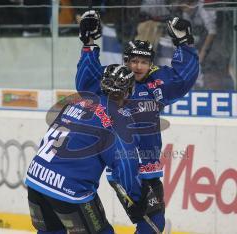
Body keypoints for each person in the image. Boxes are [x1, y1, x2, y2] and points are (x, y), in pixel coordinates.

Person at [76, 10, 199, 233]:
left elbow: (184, 78)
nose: (138, 67)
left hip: (151, 168)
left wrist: (184, 42)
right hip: (125, 169)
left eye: (144, 61)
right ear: (125, 61)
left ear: (151, 63)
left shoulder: (157, 84)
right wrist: (89, 43)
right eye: (133, 61)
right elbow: (86, 83)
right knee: (153, 225)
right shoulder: (114, 81)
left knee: (153, 225)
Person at [25, 64, 155, 234]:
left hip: (36, 179)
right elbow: (124, 167)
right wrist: (137, 200)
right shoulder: (117, 118)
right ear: (129, 90)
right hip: (69, 189)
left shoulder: (78, 100)